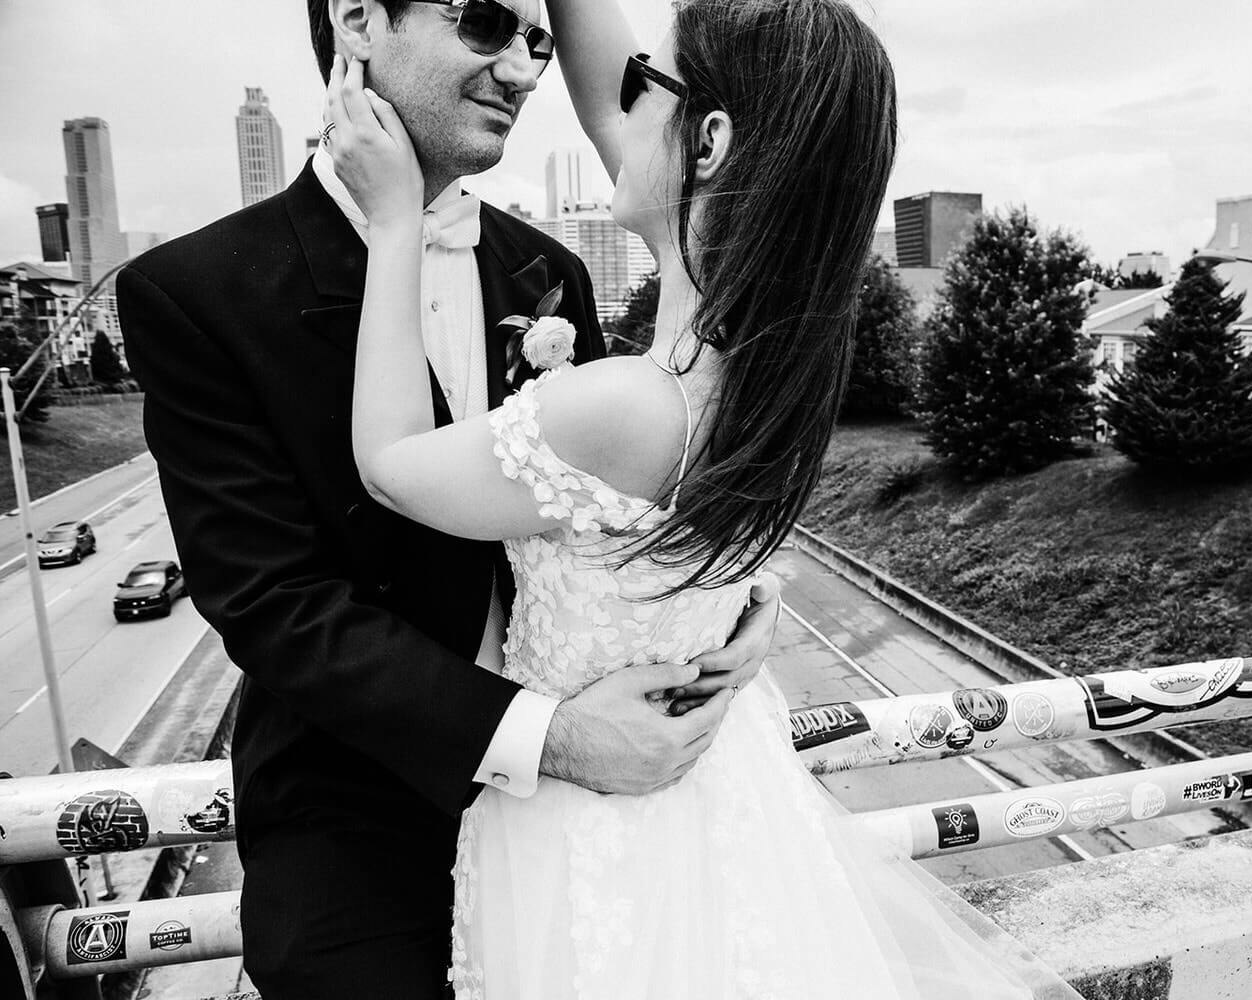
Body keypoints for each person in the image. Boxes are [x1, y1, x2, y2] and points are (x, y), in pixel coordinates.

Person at [327, 0, 1085, 996]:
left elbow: (388, 461)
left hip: (600, 841)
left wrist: (391, 223)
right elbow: (621, 104)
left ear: (713, 140)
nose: (612, 105)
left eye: (652, 88)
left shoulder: (629, 406)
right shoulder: (763, 382)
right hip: (711, 805)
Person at [116, 0, 782, 996]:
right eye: (483, 24)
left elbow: (612, 520)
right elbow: (275, 608)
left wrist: (735, 602)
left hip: (594, 817)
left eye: (538, 41)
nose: (521, 69)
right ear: (357, 23)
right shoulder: (196, 292)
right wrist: (557, 738)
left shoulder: (548, 271)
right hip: (358, 826)